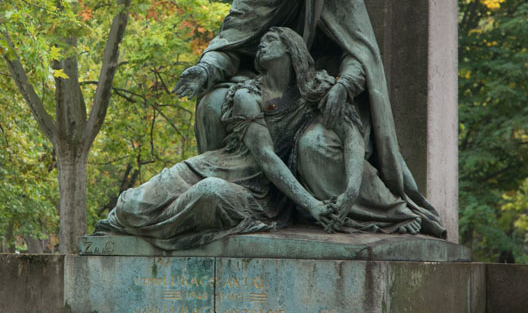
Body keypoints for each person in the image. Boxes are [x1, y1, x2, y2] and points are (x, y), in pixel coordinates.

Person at [173, 0, 446, 238]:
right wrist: (206, 69)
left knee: (315, 145)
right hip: (267, 83)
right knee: (212, 104)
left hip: (325, 88)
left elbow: (358, 50)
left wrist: (344, 86)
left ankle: (378, 210)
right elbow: (231, 41)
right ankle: (241, 196)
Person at [97, 28, 438, 250]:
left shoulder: (316, 89)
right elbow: (266, 156)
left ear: (292, 51)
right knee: (130, 206)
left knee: (210, 194)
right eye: (260, 42)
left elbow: (351, 136)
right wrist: (312, 205)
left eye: (271, 40)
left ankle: (161, 236)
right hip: (216, 166)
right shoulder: (247, 95)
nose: (262, 44)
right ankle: (132, 233)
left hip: (256, 194)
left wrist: (350, 190)